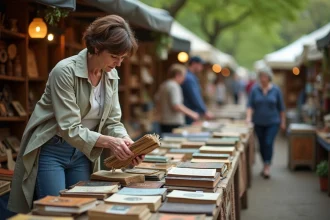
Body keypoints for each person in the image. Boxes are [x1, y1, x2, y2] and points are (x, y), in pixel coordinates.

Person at [8, 15, 143, 213]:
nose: (119, 64)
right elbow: (69, 127)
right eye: (115, 57)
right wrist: (111, 143)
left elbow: (113, 121)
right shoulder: (64, 71)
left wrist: (126, 143)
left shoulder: (111, 75)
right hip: (52, 150)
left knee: (83, 208)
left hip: (83, 153)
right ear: (97, 47)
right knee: (57, 212)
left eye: (122, 58)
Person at [246, 67, 286, 179]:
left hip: (273, 122)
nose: (263, 79)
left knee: (268, 142)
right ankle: (265, 163)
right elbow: (250, 106)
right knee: (262, 145)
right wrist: (248, 118)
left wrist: (283, 122)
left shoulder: (276, 90)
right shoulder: (255, 90)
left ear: (269, 77)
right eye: (261, 76)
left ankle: (267, 165)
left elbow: (281, 108)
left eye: (265, 76)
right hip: (258, 122)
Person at [156, 64, 199, 134]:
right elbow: (176, 106)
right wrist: (192, 114)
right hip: (173, 122)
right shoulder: (174, 86)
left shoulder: (164, 85)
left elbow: (157, 101)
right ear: (177, 75)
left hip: (163, 121)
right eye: (183, 76)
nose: (184, 79)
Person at [181, 56, 213, 124]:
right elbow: (194, 96)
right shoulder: (189, 78)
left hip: (190, 112)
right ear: (194, 64)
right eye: (200, 64)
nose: (202, 67)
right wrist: (204, 111)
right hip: (190, 113)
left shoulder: (190, 76)